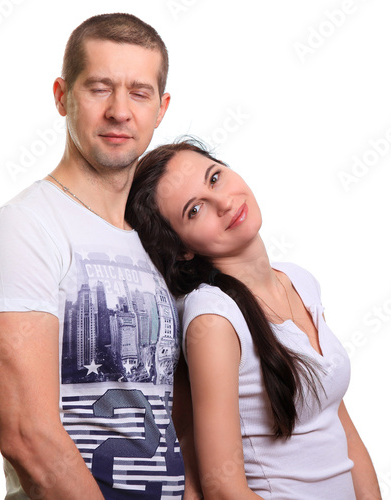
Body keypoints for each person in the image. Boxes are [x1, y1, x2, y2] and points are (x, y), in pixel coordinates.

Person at [0, 13, 192, 500]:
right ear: (62, 96)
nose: (119, 111)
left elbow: (178, 420)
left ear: (161, 107)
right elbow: (30, 440)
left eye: (139, 92)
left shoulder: (156, 243)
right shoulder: (23, 229)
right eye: (99, 88)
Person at [125, 139, 383, 500]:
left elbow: (341, 428)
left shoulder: (299, 280)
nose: (225, 203)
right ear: (182, 248)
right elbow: (222, 488)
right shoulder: (214, 319)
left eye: (214, 178)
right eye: (195, 210)